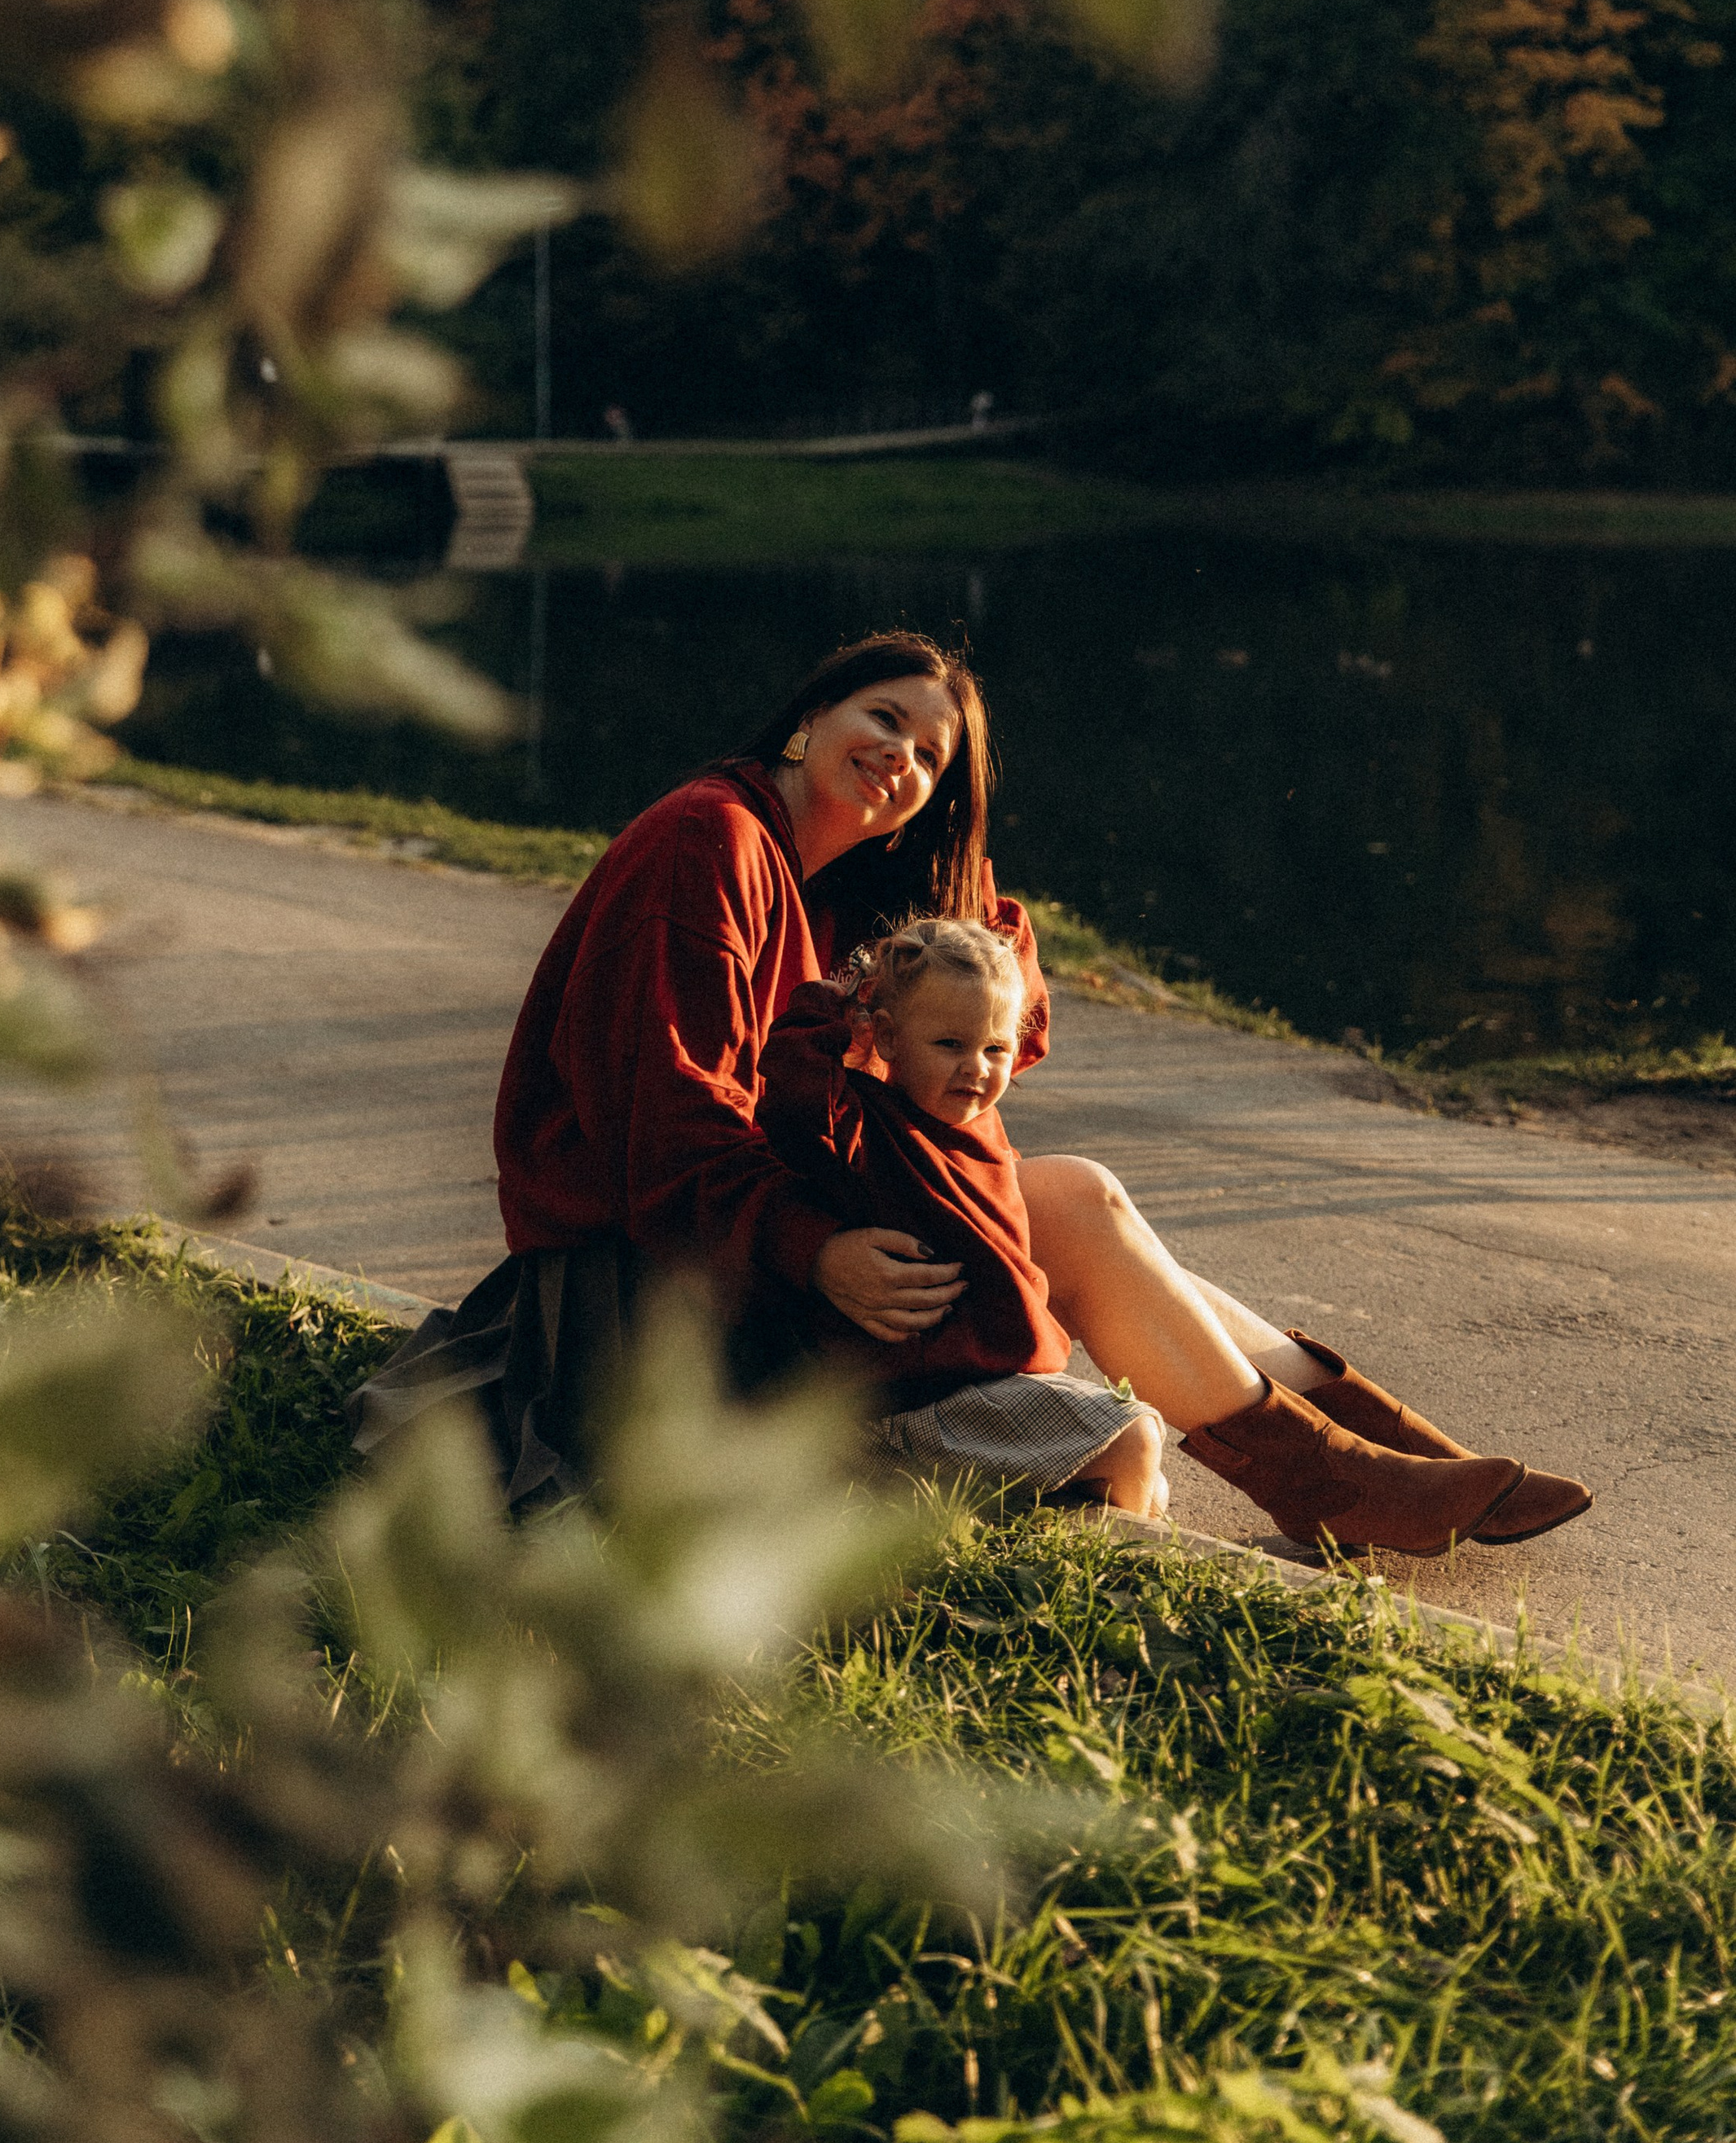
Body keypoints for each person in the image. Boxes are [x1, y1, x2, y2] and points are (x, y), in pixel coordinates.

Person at [350, 630, 1592, 1557]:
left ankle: (1372, 1463)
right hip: (647, 1290)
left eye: (931, 757)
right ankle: (1342, 1478)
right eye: (882, 718)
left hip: (734, 1255)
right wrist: (813, 1246)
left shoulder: (831, 884)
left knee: (1078, 1199)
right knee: (1074, 1203)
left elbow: (1005, 1030)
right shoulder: (709, 844)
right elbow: (665, 1133)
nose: (900, 756)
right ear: (811, 716)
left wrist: (945, 886)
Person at [758, 913, 1169, 1517]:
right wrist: (838, 1000)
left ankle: (1028, 1520)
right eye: (950, 1045)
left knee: (1148, 1471)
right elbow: (792, 1089)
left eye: (994, 1048)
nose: (976, 1067)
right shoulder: (865, 1126)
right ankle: (1105, 1561)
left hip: (981, 1387)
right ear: (888, 1038)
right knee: (1131, 1440)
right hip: (908, 1405)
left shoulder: (981, 1129)